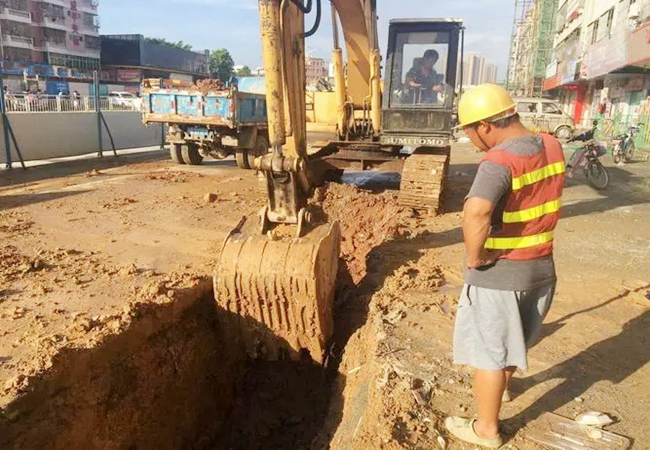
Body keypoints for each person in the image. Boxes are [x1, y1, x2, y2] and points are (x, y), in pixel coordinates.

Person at [445, 84, 566, 448]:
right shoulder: (552, 145)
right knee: (512, 343)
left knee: (490, 354)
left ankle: (486, 430)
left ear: (484, 126)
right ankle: (501, 392)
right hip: (541, 269)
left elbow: (477, 212)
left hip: (501, 275)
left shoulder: (498, 161)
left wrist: (475, 258)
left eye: (469, 132)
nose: (471, 140)